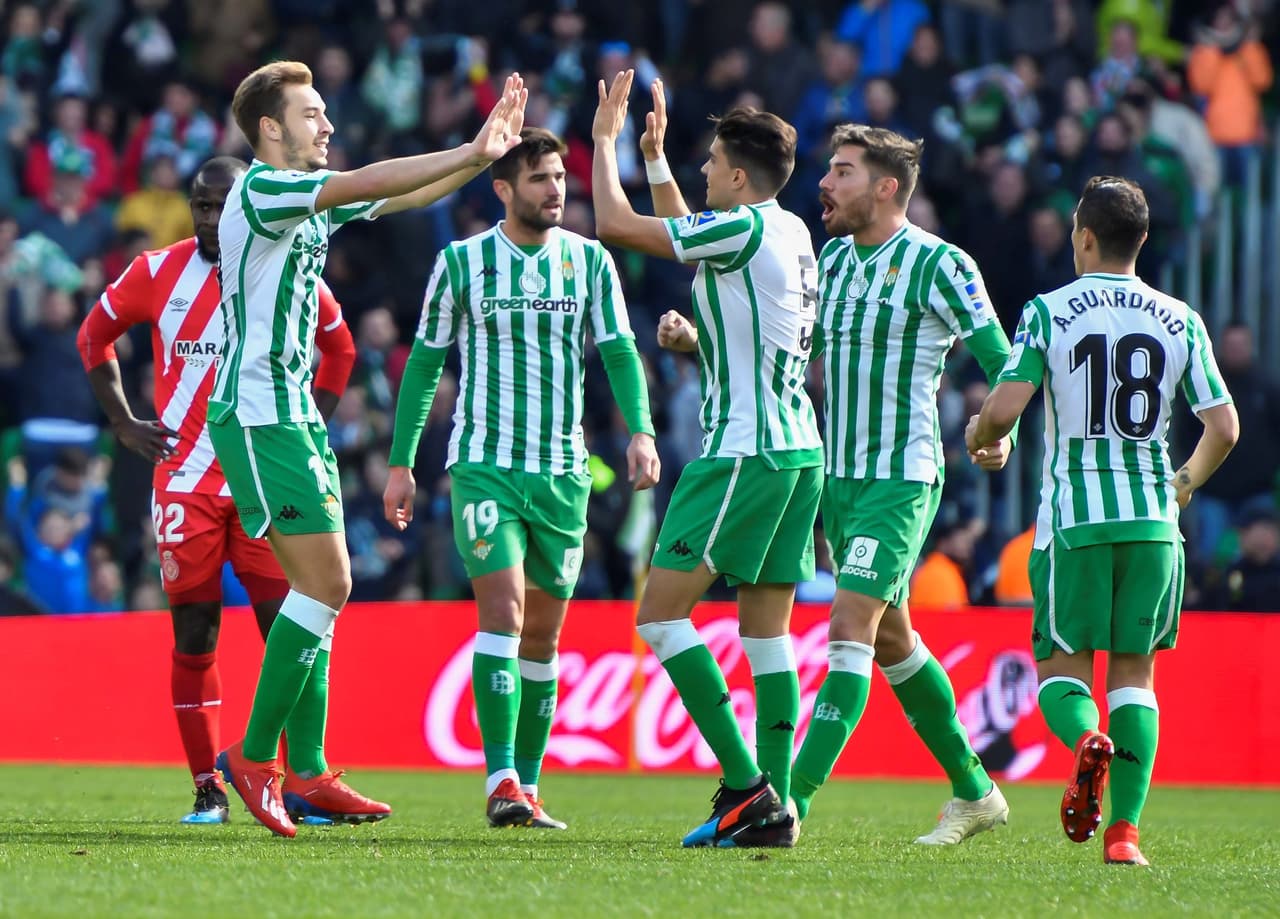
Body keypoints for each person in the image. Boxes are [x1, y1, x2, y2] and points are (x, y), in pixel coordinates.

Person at [206, 60, 528, 838]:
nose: (328, 125)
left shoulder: (302, 203)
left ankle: (309, 771)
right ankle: (254, 758)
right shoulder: (263, 189)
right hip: (259, 414)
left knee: (317, 598)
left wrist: (473, 160)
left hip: (291, 413)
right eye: (312, 114)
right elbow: (365, 178)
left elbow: (397, 193)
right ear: (270, 130)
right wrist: (471, 148)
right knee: (329, 583)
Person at [383, 126, 660, 829]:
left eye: (559, 177)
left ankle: (527, 785)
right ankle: (501, 774)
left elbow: (621, 352)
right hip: (485, 464)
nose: (556, 189)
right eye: (539, 178)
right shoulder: (462, 262)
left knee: (543, 636)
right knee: (502, 612)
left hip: (563, 474)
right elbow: (424, 366)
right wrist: (401, 462)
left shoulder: (591, 262)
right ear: (503, 188)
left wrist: (641, 430)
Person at [967, 175, 1238, 866]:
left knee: (1062, 671)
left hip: (1074, 523)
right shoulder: (1181, 318)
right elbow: (1223, 426)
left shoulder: (1049, 311)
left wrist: (979, 432)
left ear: (1083, 237)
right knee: (1135, 678)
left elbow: (1005, 408)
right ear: (1140, 241)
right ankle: (1125, 836)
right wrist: (1180, 484)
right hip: (1153, 524)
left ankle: (1087, 740)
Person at [76, 155, 357, 824]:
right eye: (198, 205)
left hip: (263, 480)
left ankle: (299, 777)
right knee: (195, 635)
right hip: (186, 487)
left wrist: (306, 420)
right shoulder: (156, 272)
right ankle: (209, 786)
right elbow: (94, 336)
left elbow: (340, 349)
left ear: (245, 208)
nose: (206, 217)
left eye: (218, 205)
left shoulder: (277, 264)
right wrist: (121, 422)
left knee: (294, 623)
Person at [593, 71, 823, 848]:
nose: (700, 173)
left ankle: (748, 786)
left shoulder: (746, 227)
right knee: (767, 637)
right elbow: (701, 254)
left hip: (741, 453)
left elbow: (617, 226)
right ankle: (778, 805)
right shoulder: (787, 230)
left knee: (658, 615)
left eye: (708, 162)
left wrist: (605, 140)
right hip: (797, 452)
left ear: (736, 175)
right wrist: (656, 160)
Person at [790, 124, 1011, 844]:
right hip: (839, 480)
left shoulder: (941, 264)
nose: (825, 184)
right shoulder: (833, 261)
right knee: (892, 640)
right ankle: (976, 791)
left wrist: (994, 428)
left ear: (886, 187)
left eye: (843, 172)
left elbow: (1004, 361)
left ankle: (786, 803)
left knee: (847, 627)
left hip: (902, 475)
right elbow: (795, 347)